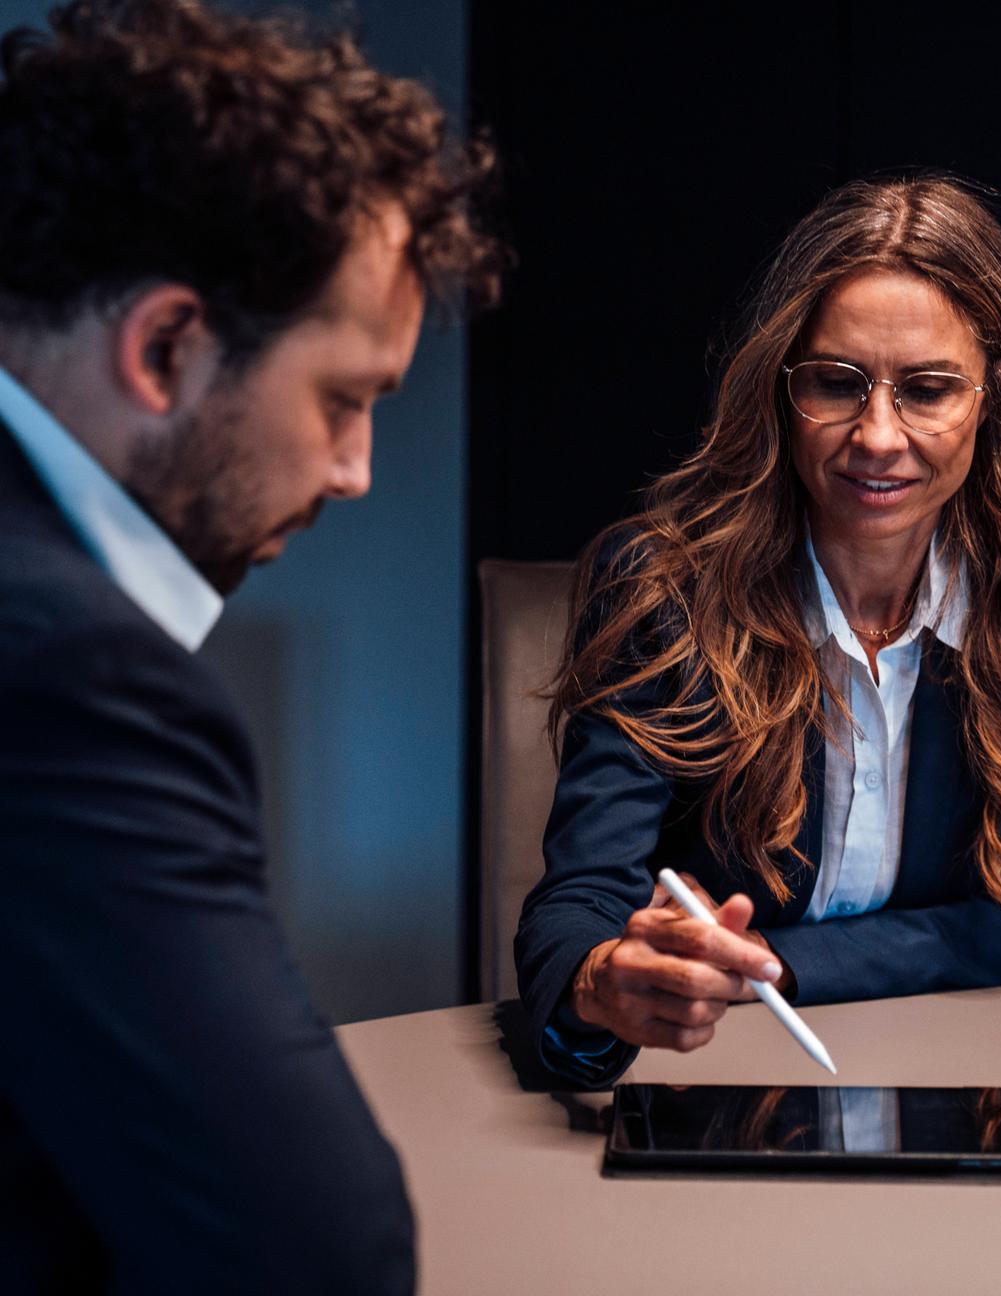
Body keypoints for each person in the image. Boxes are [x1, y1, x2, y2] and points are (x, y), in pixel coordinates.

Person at [0, 1, 503, 1290]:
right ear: (167, 346)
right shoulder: (71, 675)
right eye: (344, 400)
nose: (356, 473)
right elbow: (316, 1256)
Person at [516, 176, 1001, 1085]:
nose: (876, 436)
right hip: (707, 1077)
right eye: (836, 384)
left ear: (996, 394)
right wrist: (605, 983)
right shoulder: (663, 582)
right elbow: (578, 908)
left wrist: (779, 968)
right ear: (779, 389)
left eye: (928, 389)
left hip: (956, 1070)